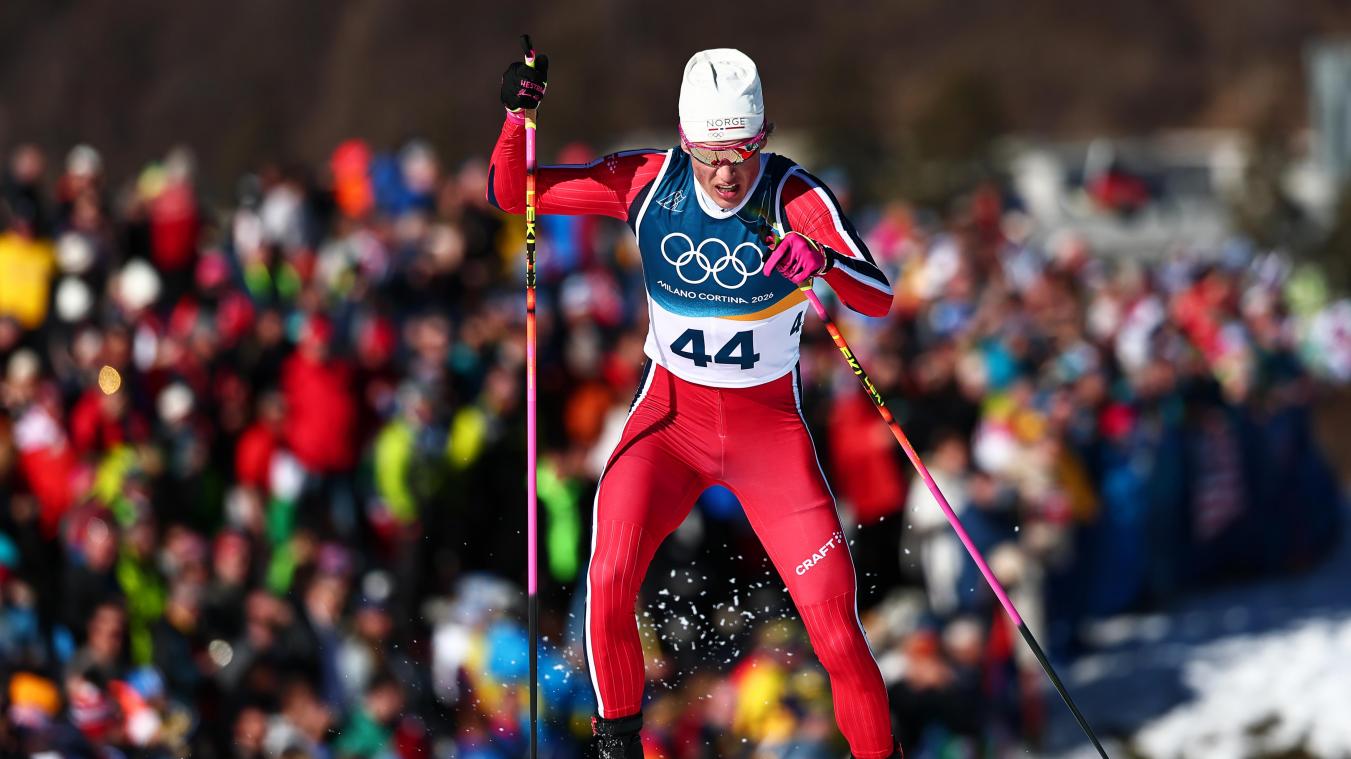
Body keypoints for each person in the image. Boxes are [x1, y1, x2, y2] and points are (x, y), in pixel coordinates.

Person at [489, 47, 900, 759]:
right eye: (709, 153)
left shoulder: (795, 197)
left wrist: (824, 261)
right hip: (668, 425)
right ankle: (617, 745)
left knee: (834, 626)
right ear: (684, 139)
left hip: (766, 435)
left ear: (763, 135)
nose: (724, 172)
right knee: (609, 577)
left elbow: (880, 296)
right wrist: (515, 118)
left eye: (740, 150)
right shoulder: (649, 182)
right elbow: (512, 192)